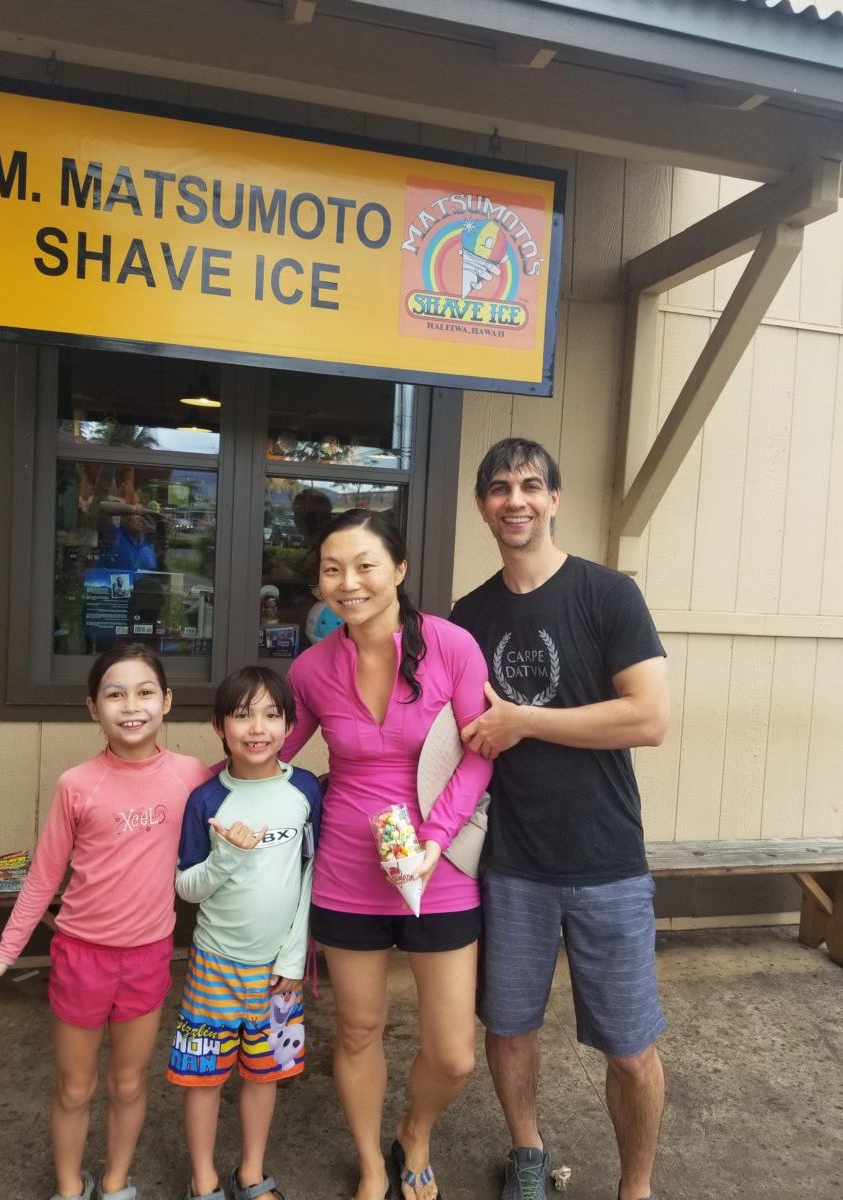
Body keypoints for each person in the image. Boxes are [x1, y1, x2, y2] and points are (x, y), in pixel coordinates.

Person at [449, 438, 670, 1200]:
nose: (515, 499)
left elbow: (648, 717)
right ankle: (528, 1153)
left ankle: (636, 1185)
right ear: (483, 507)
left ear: (554, 500)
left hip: (607, 860)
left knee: (631, 1049)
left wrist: (524, 722)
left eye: (530, 485)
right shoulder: (469, 616)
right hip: (511, 863)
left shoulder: (608, 595)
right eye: (499, 488)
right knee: (509, 1027)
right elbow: (453, 731)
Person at [283, 509, 493, 1200]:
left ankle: (415, 1131)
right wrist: (189, 783)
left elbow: (479, 753)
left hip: (441, 868)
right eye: (332, 569)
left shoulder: (452, 646)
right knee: (358, 1029)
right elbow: (272, 752)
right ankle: (373, 1165)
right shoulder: (312, 668)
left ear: (399, 570)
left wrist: (436, 839)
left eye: (365, 565)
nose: (349, 583)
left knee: (454, 1054)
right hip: (347, 872)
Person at [0, 644, 210, 1200]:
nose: (131, 706)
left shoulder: (192, 777)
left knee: (128, 1083)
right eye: (114, 694)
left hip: (149, 955)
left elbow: (242, 800)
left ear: (166, 701)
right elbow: (42, 879)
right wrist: (4, 954)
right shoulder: (77, 784)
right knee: (75, 1087)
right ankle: (69, 1187)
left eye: (145, 692)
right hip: (81, 956)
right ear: (92, 707)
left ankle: (117, 1182)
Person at [168, 666, 323, 1200]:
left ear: (290, 725)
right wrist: (226, 857)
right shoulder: (206, 800)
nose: (257, 728)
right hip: (213, 966)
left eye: (271, 715)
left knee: (265, 1073)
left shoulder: (304, 790)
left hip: (279, 971)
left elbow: (309, 877)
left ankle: (251, 1174)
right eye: (241, 715)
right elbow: (187, 888)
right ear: (219, 726)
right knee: (203, 1078)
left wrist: (294, 958)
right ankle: (204, 1180)